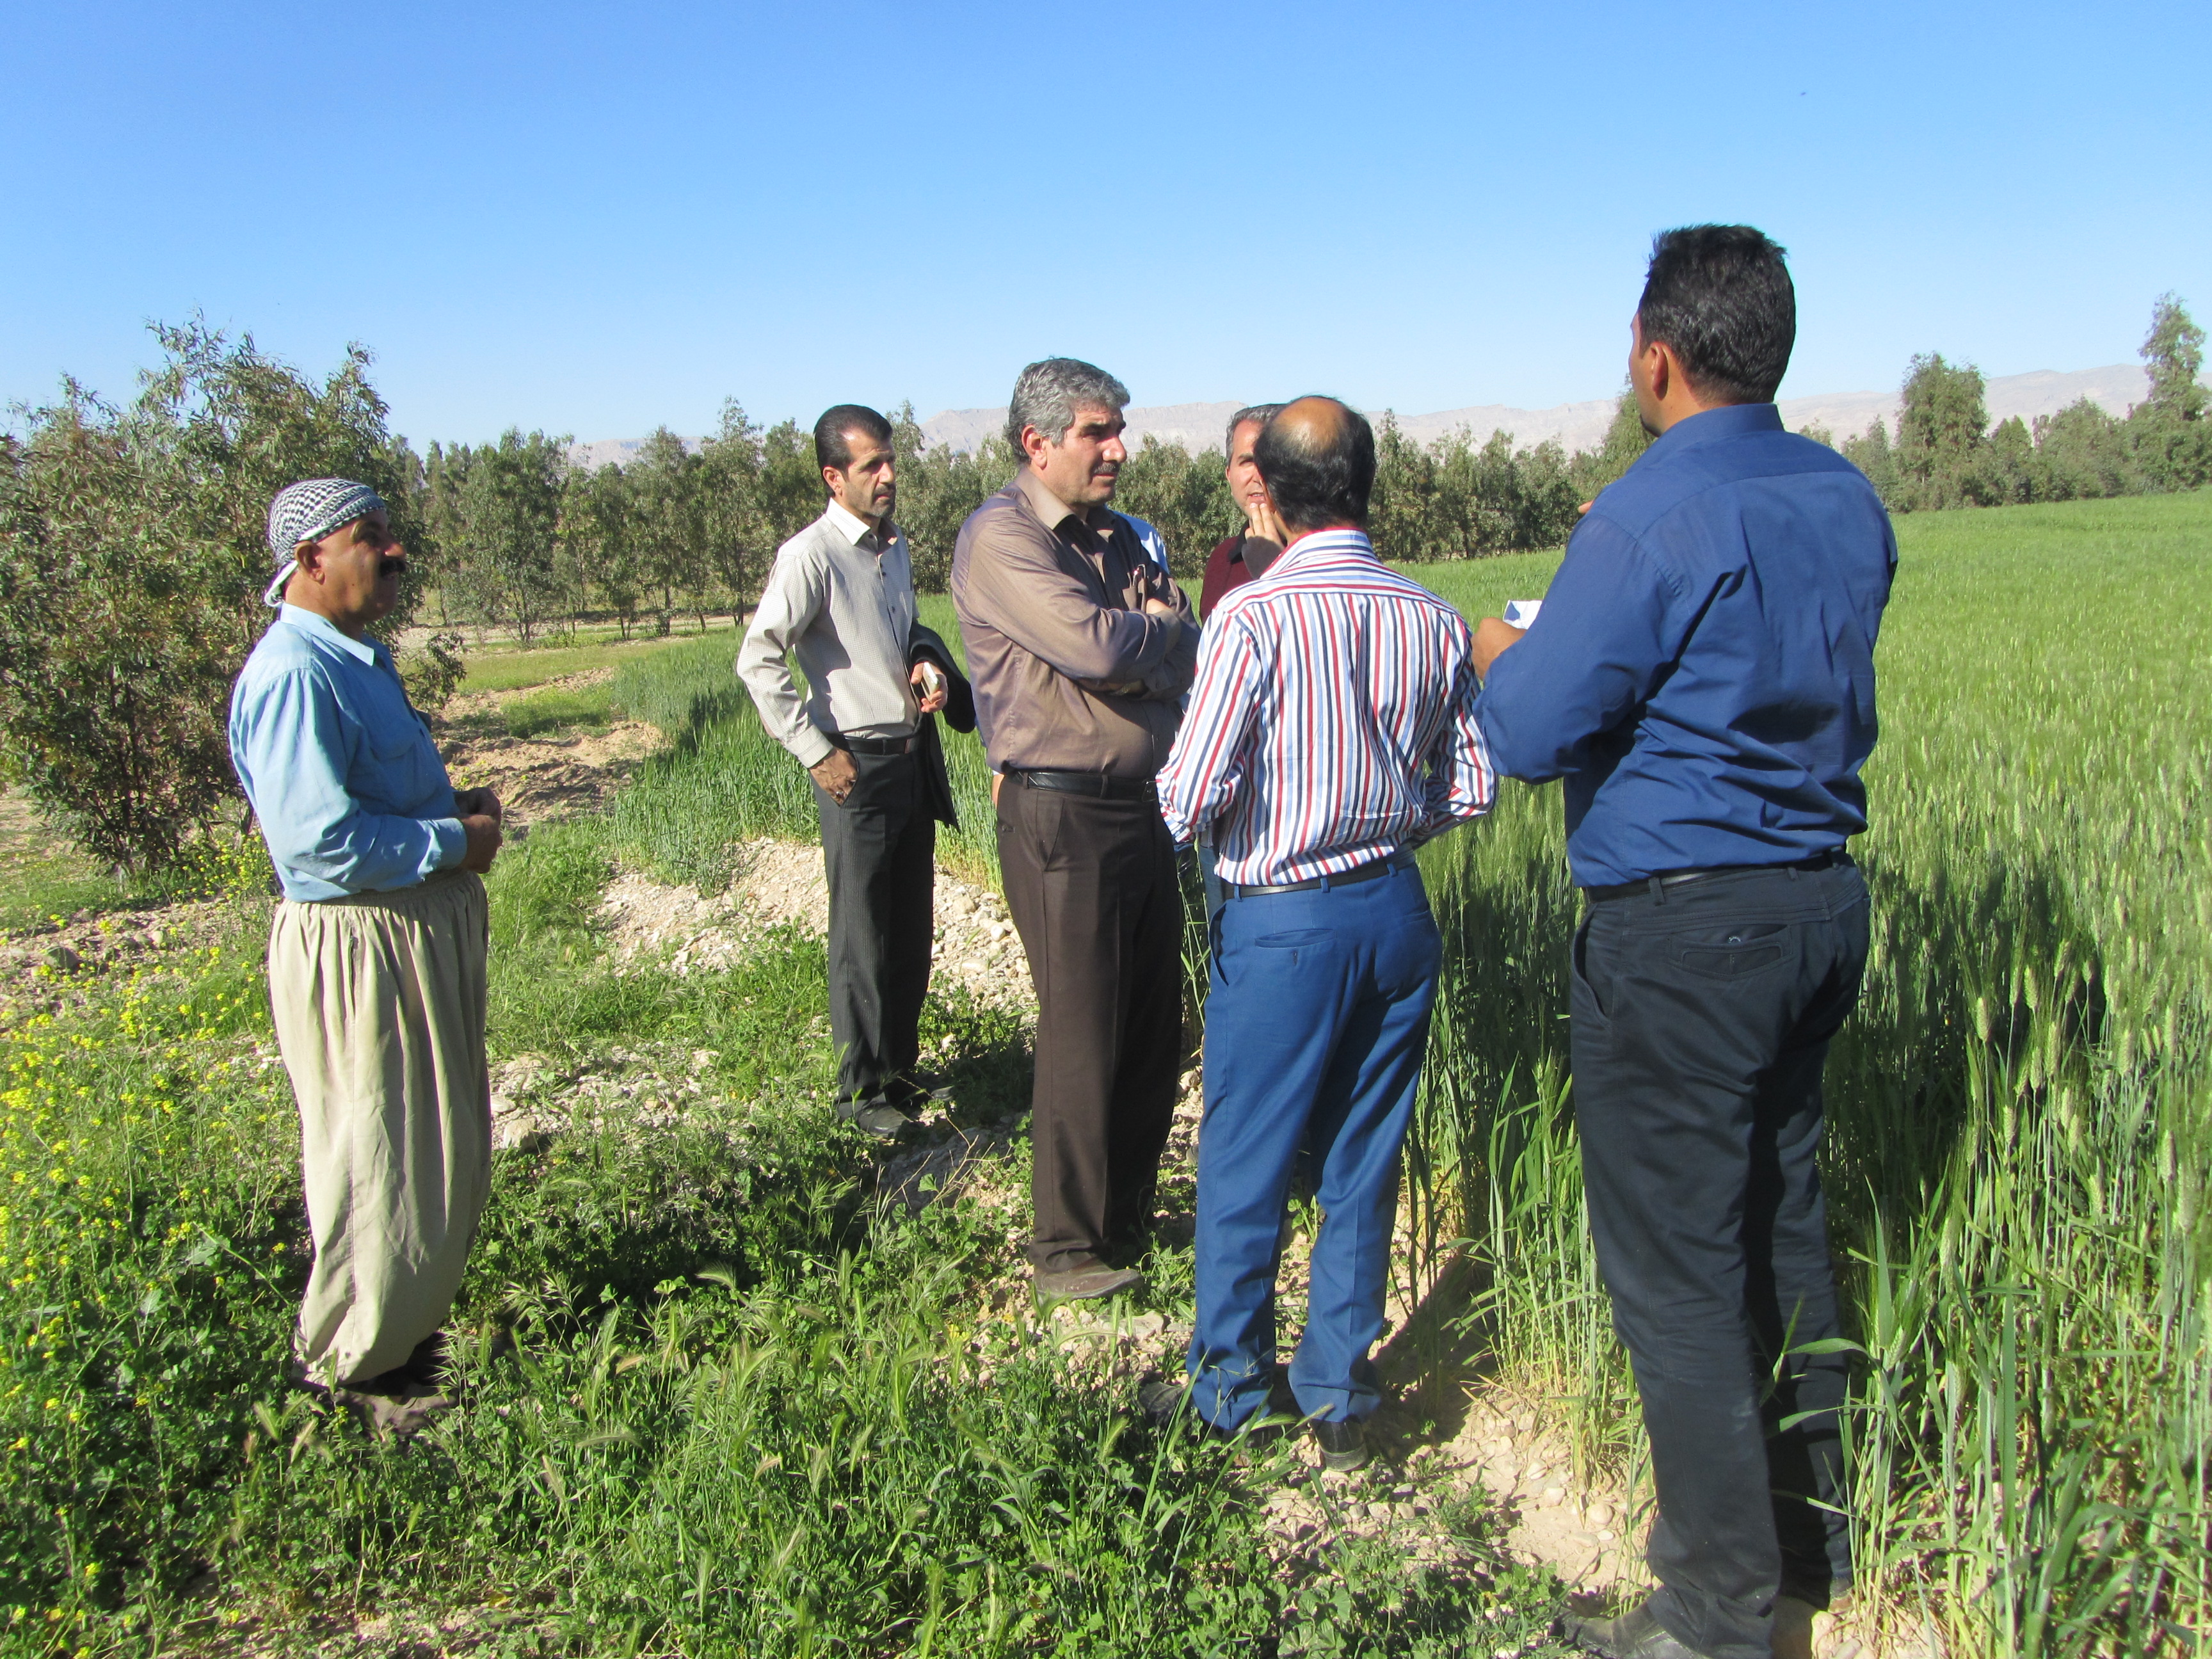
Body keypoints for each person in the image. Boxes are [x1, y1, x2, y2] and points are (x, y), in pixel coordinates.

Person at [1472, 227, 1895, 1659]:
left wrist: (1501, 656)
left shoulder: (1647, 518)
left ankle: (1714, 1616)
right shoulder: (1841, 494)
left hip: (1684, 935)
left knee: (1679, 1275)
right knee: (1784, 1229)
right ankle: (1809, 1549)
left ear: (1657, 355)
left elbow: (1530, 732)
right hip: (1819, 907)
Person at [1148, 398, 1494, 1471]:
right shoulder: (1432, 617)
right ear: (1364, 484)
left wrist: (1279, 821)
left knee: (1245, 1154)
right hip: (1393, 911)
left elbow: (1188, 795)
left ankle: (1229, 1390)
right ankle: (1341, 1390)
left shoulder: (1251, 620)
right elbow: (1473, 783)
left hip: (1284, 923)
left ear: (1275, 492)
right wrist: (1383, 821)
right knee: (1362, 1156)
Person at [228, 478, 506, 1438]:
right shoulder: (292, 674)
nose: (393, 555)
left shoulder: (356, 661)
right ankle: (355, 1371)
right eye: (369, 538)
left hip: (405, 937)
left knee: (436, 1149)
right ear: (310, 560)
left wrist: (449, 812)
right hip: (360, 949)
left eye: (389, 536)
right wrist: (452, 845)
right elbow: (316, 846)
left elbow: (371, 803)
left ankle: (405, 1331)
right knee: (377, 1152)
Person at [950, 357, 1199, 1302]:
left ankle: (1124, 1219)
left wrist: (1151, 638)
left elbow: (1179, 639)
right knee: (1084, 1027)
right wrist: (1150, 638)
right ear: (1038, 442)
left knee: (1151, 1024)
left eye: (1117, 430)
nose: (1118, 449)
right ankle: (1066, 1250)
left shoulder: (1119, 538)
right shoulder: (1000, 539)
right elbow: (1098, 646)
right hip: (1060, 809)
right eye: (1098, 432)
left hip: (1142, 805)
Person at [737, 405, 974, 1137]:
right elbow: (759, 658)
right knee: (861, 938)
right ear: (833, 477)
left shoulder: (892, 548)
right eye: (872, 465)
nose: (889, 476)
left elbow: (897, 638)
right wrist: (815, 750)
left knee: (908, 928)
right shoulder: (810, 555)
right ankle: (860, 1093)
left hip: (909, 760)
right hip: (855, 768)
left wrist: (925, 663)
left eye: (891, 460)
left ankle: (899, 1073)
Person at [1196, 404, 1288, 618]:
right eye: (1247, 462)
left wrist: (1277, 573)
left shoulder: (1324, 556)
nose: (1259, 476)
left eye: (1271, 462)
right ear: (1229, 474)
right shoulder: (1222, 559)